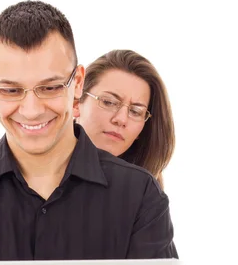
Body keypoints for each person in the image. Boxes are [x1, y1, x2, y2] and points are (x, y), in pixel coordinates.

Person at [0, 0, 178, 265]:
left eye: (50, 88)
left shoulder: (140, 196)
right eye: (11, 90)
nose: (32, 110)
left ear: (78, 83)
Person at [75, 49, 175, 188]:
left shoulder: (145, 197)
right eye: (108, 102)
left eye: (135, 111)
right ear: (76, 102)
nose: (121, 119)